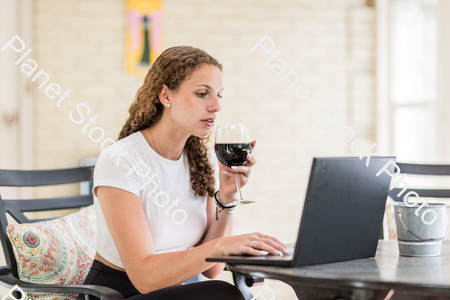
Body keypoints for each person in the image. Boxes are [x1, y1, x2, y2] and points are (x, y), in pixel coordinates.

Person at [79, 46, 290, 300]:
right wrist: (223, 246)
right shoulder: (121, 160)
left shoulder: (201, 161)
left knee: (222, 291)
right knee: (224, 294)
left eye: (219, 95)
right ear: (166, 96)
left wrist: (227, 197)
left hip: (176, 292)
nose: (216, 106)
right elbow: (144, 278)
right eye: (202, 93)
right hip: (120, 294)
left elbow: (212, 268)